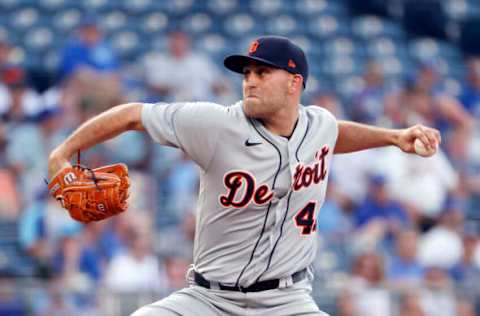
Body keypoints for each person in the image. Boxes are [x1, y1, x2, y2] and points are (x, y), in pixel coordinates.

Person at [48, 36, 441, 316]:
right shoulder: (215, 124)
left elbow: (335, 133)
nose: (249, 79)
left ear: (294, 83)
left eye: (262, 72)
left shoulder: (318, 124)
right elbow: (133, 113)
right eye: (247, 72)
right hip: (208, 300)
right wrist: (63, 153)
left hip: (288, 302)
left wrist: (394, 137)